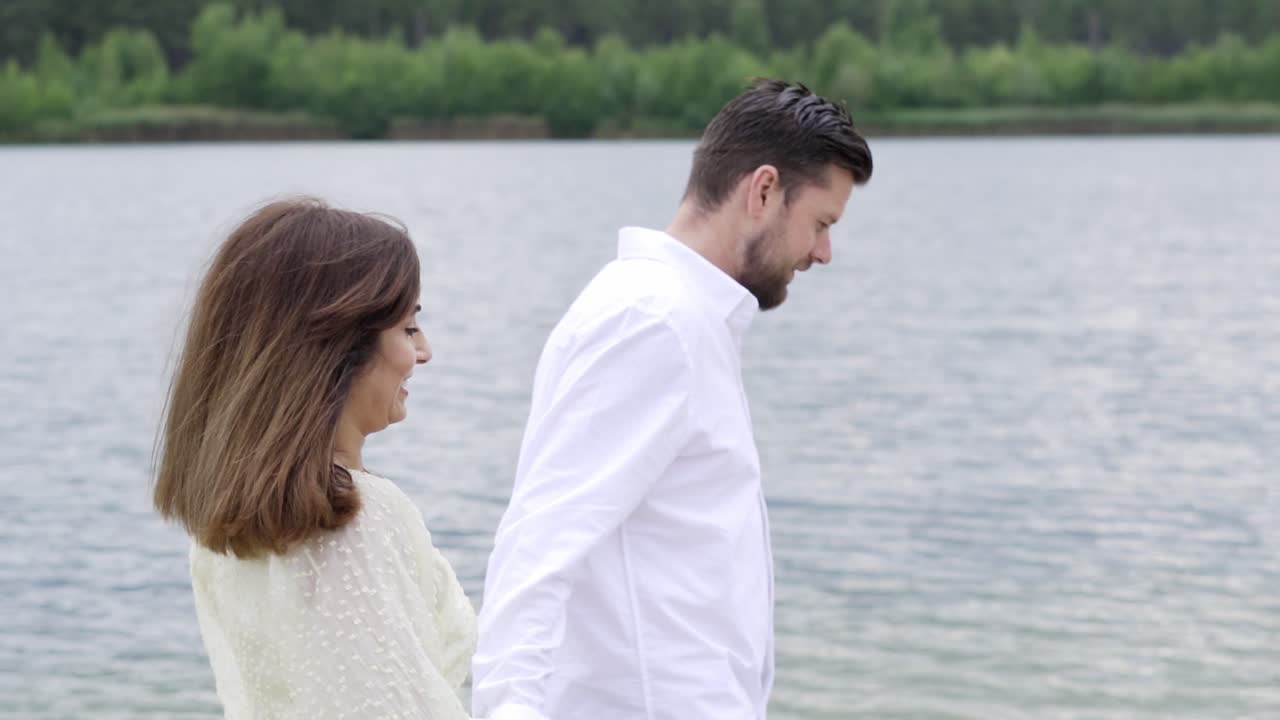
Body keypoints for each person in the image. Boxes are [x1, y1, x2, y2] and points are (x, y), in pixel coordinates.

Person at [471, 78, 873, 720]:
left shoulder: (684, 317)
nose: (823, 252)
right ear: (763, 191)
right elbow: (541, 542)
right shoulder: (653, 321)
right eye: (820, 224)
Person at [154, 198, 476, 720]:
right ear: (338, 346)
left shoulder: (230, 523)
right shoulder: (353, 516)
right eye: (408, 328)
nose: (424, 352)